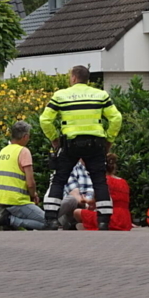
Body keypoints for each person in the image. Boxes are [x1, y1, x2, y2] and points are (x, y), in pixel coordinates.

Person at [40, 65, 122, 230]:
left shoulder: (61, 95)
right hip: (95, 143)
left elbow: (45, 120)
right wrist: (109, 140)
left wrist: (54, 140)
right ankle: (103, 220)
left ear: (74, 78)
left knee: (59, 179)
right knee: (99, 181)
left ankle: (51, 219)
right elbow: (116, 118)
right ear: (87, 79)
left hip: (71, 144)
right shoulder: (100, 95)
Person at [0, 121, 45, 231]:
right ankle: (10, 220)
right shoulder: (23, 151)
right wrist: (33, 195)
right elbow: (30, 183)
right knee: (49, 223)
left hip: (0, 200)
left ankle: (6, 219)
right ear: (25, 136)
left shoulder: (3, 151)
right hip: (16, 201)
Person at [74, 154, 132, 231]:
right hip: (125, 221)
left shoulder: (103, 181)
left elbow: (94, 202)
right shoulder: (123, 182)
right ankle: (86, 226)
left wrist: (85, 200)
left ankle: (87, 226)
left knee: (77, 212)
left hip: (110, 218)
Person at [56, 160, 94, 231]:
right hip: (79, 205)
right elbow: (74, 192)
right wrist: (87, 204)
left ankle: (82, 225)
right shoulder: (73, 167)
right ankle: (49, 220)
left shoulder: (99, 167)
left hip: (94, 206)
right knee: (71, 199)